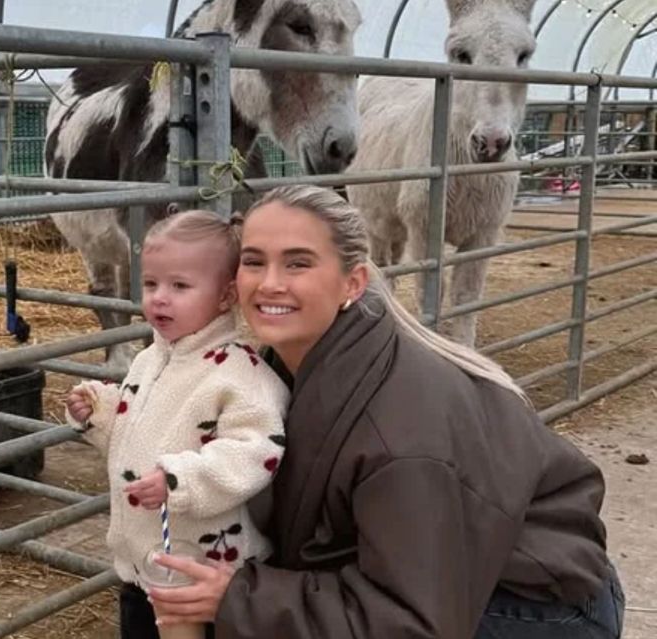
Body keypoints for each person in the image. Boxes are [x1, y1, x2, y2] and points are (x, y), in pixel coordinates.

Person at [149, 185, 624, 639]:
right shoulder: (292, 366)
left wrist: (240, 599)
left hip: (541, 610)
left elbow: (415, 622)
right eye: (254, 262)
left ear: (352, 282)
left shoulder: (400, 431)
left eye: (298, 263)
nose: (270, 283)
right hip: (454, 580)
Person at [65, 210, 290, 639]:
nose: (159, 298)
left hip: (203, 579)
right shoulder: (150, 360)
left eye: (180, 286)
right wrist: (100, 415)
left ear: (225, 297)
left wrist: (178, 478)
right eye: (151, 284)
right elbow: (137, 434)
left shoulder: (241, 373)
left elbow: (257, 449)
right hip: (141, 568)